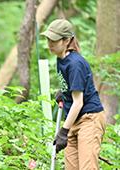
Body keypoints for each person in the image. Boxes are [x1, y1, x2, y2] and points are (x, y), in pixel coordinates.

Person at [41, 19, 106, 169]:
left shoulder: (75, 63)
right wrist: (64, 93)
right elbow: (73, 88)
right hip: (74, 120)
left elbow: (78, 102)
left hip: (89, 119)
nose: (50, 43)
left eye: (54, 40)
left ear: (67, 40)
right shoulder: (61, 59)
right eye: (48, 39)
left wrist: (63, 132)